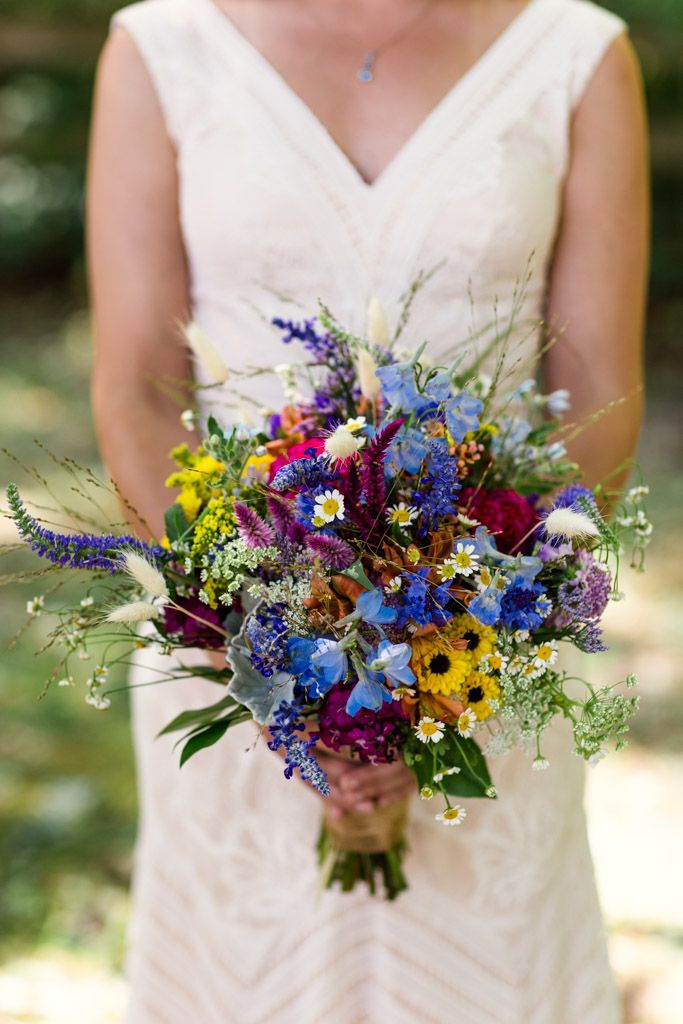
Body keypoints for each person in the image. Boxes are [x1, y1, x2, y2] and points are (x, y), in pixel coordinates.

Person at [87, 0, 648, 1020]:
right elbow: (135, 387)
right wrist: (268, 660)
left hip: (489, 653)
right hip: (232, 648)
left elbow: (599, 387)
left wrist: (457, 646)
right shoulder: (161, 46)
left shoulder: (575, 52)